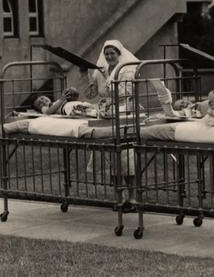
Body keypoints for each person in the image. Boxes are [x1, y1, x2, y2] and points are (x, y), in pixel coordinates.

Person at [85, 40, 139, 213]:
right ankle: (118, 198)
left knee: (126, 155)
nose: (109, 57)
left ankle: (133, 198)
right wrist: (92, 85)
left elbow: (127, 92)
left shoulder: (126, 69)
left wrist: (111, 100)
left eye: (112, 53)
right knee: (113, 158)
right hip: (106, 112)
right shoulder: (100, 72)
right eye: (106, 54)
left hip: (125, 111)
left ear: (119, 54)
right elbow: (94, 94)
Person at [32, 87, 98, 117]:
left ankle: (98, 110)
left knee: (87, 105)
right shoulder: (46, 108)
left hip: (72, 104)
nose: (43, 101)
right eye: (39, 103)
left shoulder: (56, 102)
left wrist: (72, 95)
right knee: (80, 110)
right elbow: (48, 112)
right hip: (67, 108)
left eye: (42, 98)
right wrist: (62, 99)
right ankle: (95, 113)